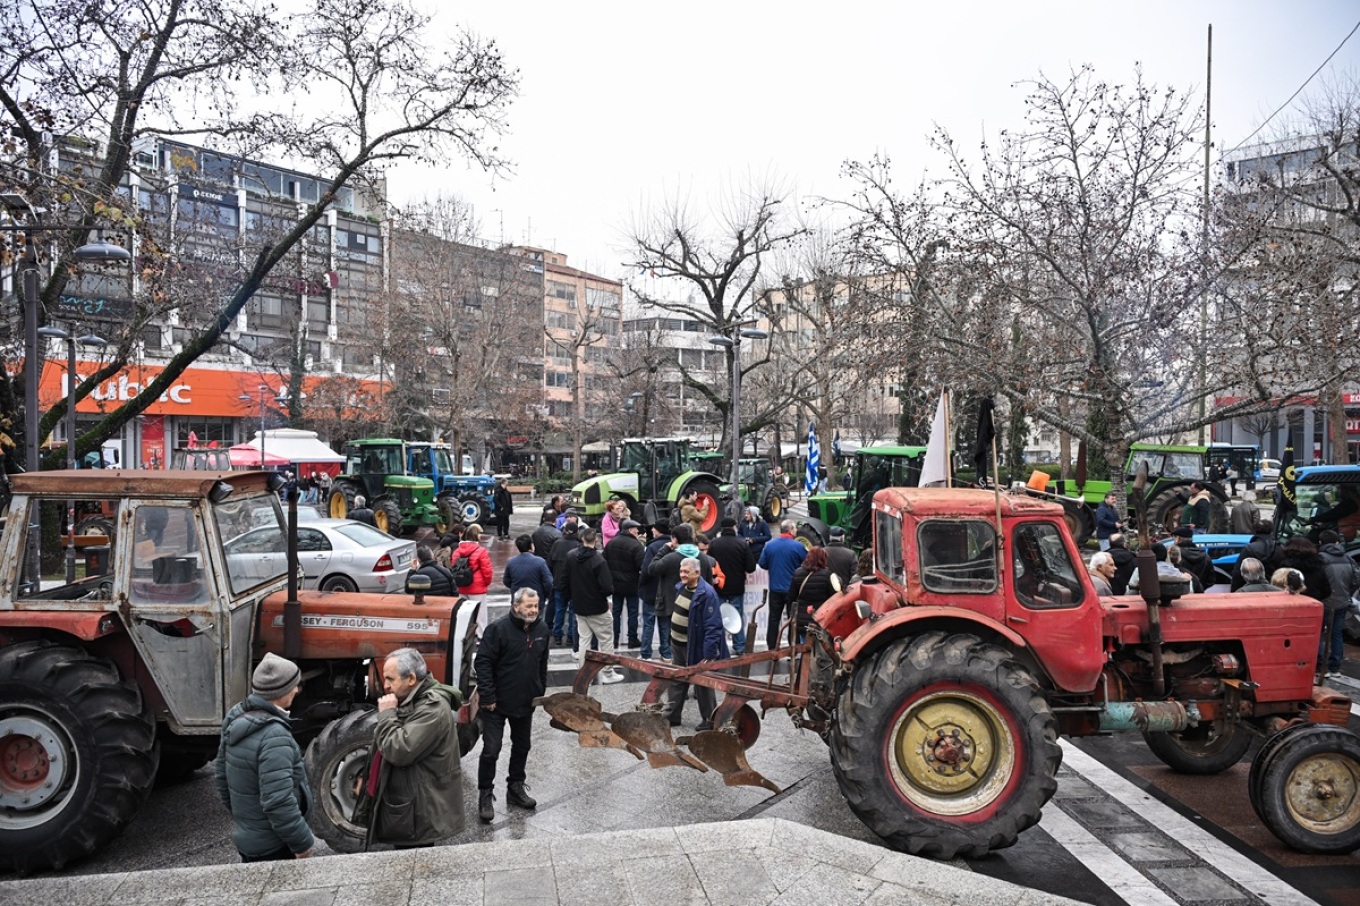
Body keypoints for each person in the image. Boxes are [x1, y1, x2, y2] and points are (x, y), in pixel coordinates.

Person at [214, 653, 313, 862]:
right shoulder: (275, 736)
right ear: (282, 691)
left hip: (249, 840)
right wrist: (302, 843)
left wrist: (248, 821)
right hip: (275, 846)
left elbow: (221, 778)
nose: (296, 690)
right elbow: (279, 801)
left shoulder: (235, 719)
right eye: (294, 685)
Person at [369, 648, 464, 847]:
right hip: (410, 805)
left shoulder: (432, 708)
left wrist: (387, 715)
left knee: (416, 865)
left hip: (420, 812)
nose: (385, 686)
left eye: (390, 679)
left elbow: (398, 750)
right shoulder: (410, 699)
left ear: (411, 679)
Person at [474, 588, 550, 823]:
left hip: (525, 702)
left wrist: (539, 690)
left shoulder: (542, 629)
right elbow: (483, 662)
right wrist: (487, 697)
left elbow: (542, 663)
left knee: (523, 746)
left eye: (536, 606)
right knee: (491, 750)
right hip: (496, 704)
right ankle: (485, 793)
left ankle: (515, 787)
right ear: (516, 606)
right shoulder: (498, 629)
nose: (534, 610)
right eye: (529, 606)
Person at [667, 557, 727, 730]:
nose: (682, 575)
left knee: (702, 683)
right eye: (681, 571)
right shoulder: (681, 588)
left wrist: (709, 654)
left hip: (695, 646)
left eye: (686, 572)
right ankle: (672, 716)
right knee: (677, 679)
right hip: (678, 644)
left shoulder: (707, 594)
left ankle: (710, 719)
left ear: (697, 573)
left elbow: (713, 625)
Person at [565, 528, 625, 684]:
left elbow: (563, 580)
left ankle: (584, 674)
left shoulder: (571, 556)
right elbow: (607, 588)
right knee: (605, 639)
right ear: (596, 540)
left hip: (578, 605)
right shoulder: (598, 561)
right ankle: (608, 672)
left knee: (584, 640)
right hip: (597, 607)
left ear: (581, 539)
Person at [707, 517, 757, 654]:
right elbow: (751, 567)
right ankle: (739, 646)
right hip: (737, 586)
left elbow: (708, 565)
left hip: (719, 586)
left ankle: (719, 646)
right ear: (734, 527)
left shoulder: (714, 544)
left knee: (717, 618)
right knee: (736, 617)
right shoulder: (742, 544)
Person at [758, 520, 809, 652]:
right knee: (793, 619)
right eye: (795, 529)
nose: (796, 531)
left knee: (774, 618)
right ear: (791, 530)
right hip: (792, 589)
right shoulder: (798, 546)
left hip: (775, 588)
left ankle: (772, 646)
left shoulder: (769, 545)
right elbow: (807, 564)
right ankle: (794, 646)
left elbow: (762, 564)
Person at [1317, 530, 1359, 678]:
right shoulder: (1348, 558)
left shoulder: (1320, 558)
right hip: (1342, 601)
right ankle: (1335, 668)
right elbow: (1356, 580)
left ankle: (1321, 668)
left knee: (1318, 634)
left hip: (1323, 602)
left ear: (1321, 543)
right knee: (1336, 634)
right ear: (1337, 542)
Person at [604, 518, 645, 649]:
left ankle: (614, 639)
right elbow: (641, 566)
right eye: (635, 529)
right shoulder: (636, 546)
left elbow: (604, 561)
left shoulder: (611, 543)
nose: (637, 531)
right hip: (632, 584)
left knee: (616, 612)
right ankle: (632, 639)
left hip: (615, 584)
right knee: (633, 612)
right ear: (629, 530)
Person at [638, 522, 673, 661]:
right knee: (665, 624)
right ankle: (666, 652)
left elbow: (647, 569)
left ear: (659, 531)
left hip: (651, 590)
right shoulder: (673, 546)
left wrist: (641, 584)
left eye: (654, 528)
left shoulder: (652, 547)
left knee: (649, 623)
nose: (652, 530)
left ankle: (646, 653)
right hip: (667, 591)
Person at [789, 547, 840, 643]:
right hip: (821, 619)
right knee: (821, 647)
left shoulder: (798, 573)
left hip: (802, 619)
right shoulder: (827, 575)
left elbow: (791, 597)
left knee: (805, 647)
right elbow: (834, 598)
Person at [549, 522, 582, 649]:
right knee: (573, 612)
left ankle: (557, 636)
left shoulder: (557, 543)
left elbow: (550, 563)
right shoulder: (578, 545)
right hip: (574, 584)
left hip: (558, 582)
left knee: (559, 609)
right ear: (576, 532)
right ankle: (570, 637)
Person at [1279, 535, 1331, 607]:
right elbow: (1327, 591)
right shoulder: (1318, 566)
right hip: (1313, 604)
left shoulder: (1284, 567)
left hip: (1290, 605)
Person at [1231, 521, 1283, 591]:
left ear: (1255, 531)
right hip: (1276, 590)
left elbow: (1238, 574)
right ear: (1271, 531)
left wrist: (1234, 592)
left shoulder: (1249, 549)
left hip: (1251, 590)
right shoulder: (1280, 549)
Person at [504, 534, 554, 606]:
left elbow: (506, 581)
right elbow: (549, 582)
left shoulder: (511, 562)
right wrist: (545, 594)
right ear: (531, 546)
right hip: (536, 600)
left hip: (518, 600)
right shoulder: (540, 562)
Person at [452, 524, 493, 597]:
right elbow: (487, 571)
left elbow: (454, 568)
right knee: (479, 608)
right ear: (475, 535)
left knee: (464, 608)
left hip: (462, 586)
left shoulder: (456, 552)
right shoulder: (481, 551)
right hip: (478, 587)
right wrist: (485, 583)